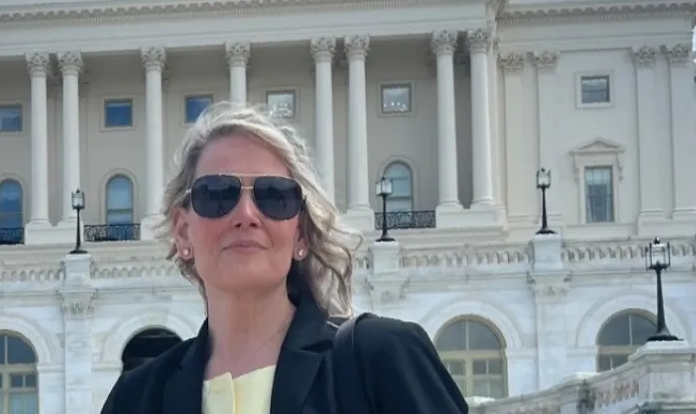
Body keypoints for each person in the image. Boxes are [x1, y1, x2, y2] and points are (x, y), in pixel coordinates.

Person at [100, 103, 469, 414]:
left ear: (301, 233)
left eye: (274, 196)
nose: (246, 214)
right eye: (217, 194)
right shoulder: (135, 399)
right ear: (183, 231)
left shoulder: (382, 358)